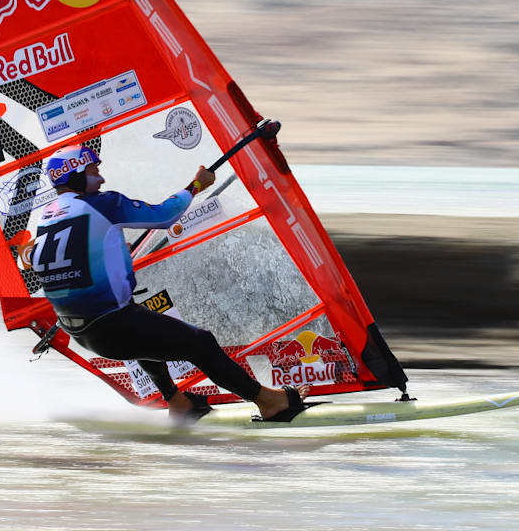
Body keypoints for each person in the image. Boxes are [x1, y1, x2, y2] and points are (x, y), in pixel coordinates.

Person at [27, 143, 308, 423]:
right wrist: (197, 185)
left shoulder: (48, 216)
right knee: (200, 343)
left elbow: (57, 263)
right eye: (93, 172)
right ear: (75, 175)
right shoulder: (103, 204)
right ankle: (269, 402)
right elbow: (164, 215)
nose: (101, 179)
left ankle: (178, 402)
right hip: (112, 325)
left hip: (80, 331)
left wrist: (107, 252)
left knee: (142, 330)